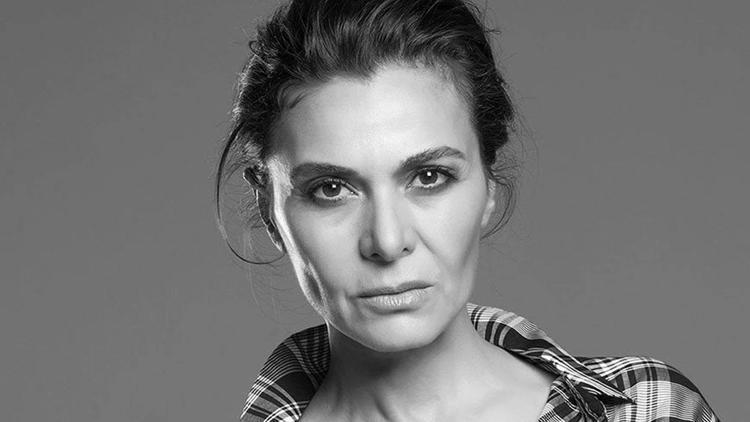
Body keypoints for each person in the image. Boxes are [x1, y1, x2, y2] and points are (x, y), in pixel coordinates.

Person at [215, 0, 719, 421]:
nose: (388, 241)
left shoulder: (652, 410)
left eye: (429, 177)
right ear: (268, 209)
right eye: (331, 189)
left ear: (489, 185)